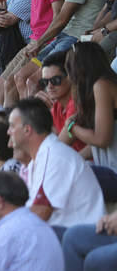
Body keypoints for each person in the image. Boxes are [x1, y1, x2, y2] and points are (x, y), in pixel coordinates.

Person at [7, 97, 105, 228]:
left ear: (27, 129)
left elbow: (41, 212)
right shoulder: (38, 159)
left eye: (12, 126)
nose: (8, 131)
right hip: (62, 231)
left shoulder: (55, 156)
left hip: (87, 234)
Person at [65, 42, 117, 176]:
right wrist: (74, 160)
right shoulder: (103, 84)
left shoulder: (102, 85)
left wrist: (72, 127)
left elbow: (102, 140)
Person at [33, 51, 84, 150]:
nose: (49, 86)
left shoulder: (76, 104)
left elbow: (57, 148)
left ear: (70, 77)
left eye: (55, 80)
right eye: (45, 82)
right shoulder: (57, 106)